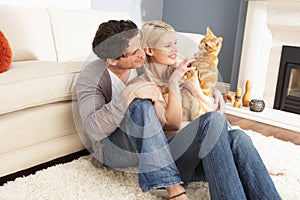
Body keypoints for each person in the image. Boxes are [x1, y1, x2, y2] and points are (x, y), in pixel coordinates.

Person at [76, 19, 281, 200]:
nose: (141, 53)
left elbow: (184, 67)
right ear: (112, 60)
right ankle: (174, 190)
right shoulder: (92, 76)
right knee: (140, 103)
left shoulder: (144, 62)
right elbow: (93, 129)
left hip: (159, 151)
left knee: (237, 138)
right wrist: (128, 94)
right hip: (116, 150)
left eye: (141, 47)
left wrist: (212, 92)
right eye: (135, 51)